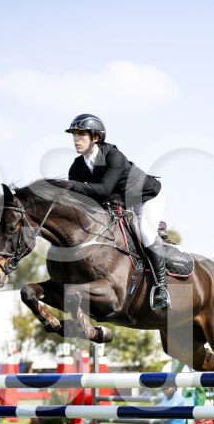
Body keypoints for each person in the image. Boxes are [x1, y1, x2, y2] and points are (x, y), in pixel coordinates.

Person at [63, 113, 170, 310]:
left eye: (81, 134)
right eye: (74, 135)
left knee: (146, 233)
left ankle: (161, 288)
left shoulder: (113, 156)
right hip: (119, 202)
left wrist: (70, 186)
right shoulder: (78, 166)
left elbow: (104, 189)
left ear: (96, 137)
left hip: (146, 197)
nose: (76, 139)